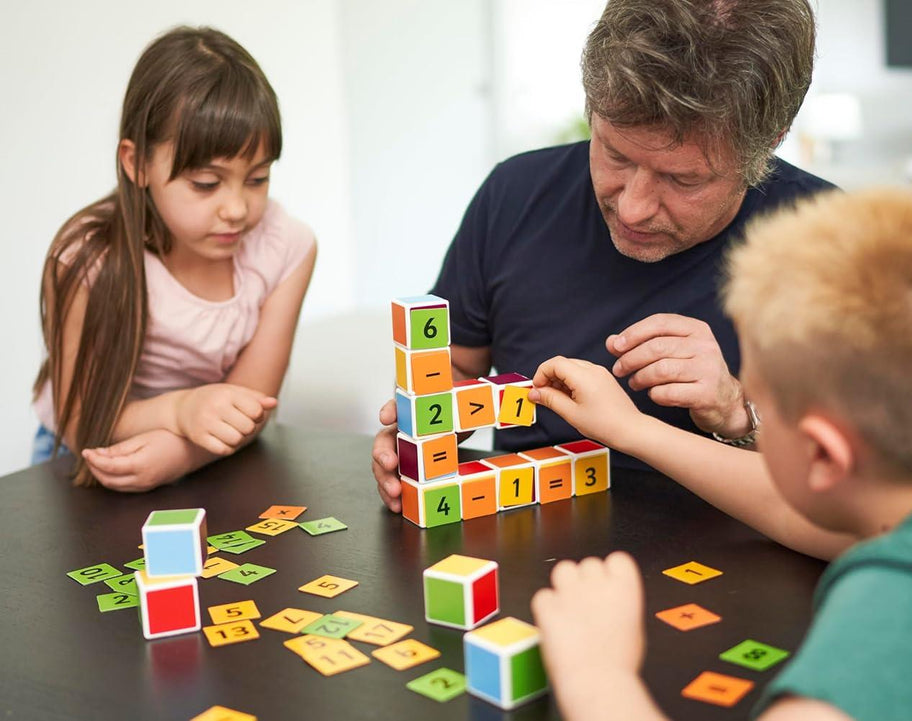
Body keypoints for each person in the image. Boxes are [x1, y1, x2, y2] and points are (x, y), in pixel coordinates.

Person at [528, 188, 912, 720]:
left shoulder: (900, 608)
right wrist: (633, 430)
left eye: (760, 400)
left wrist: (598, 673)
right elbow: (794, 508)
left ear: (822, 454)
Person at [373, 0, 833, 512]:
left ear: (765, 146)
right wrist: (429, 431)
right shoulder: (515, 192)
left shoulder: (835, 247)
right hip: (525, 533)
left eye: (682, 179)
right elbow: (455, 364)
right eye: (615, 153)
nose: (633, 208)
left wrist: (736, 413)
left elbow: (859, 496)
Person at [32, 26, 316, 491]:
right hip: (85, 455)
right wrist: (178, 413)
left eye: (258, 178)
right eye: (206, 184)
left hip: (214, 454)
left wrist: (181, 453)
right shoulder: (83, 258)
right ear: (137, 163)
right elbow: (80, 417)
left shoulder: (288, 247)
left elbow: (252, 403)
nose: (237, 210)